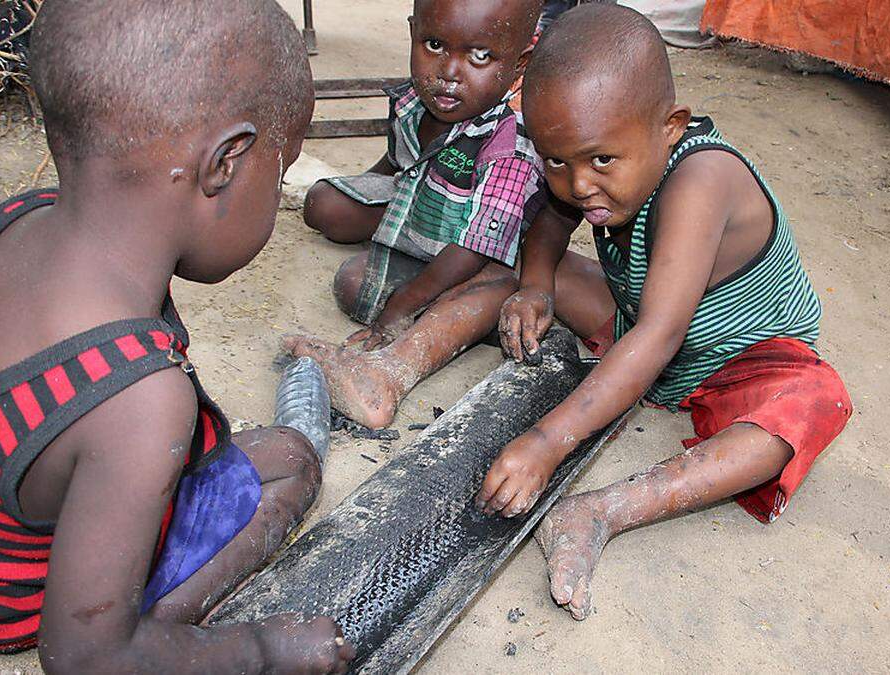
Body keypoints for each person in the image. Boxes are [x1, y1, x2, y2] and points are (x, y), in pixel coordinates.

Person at [0, 1, 354, 672]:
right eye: (278, 172)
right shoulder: (139, 401)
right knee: (292, 468)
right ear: (225, 163)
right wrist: (264, 649)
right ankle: (153, 629)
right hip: (8, 607)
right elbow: (80, 656)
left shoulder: (2, 225)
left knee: (277, 450)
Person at [477, 4, 853, 621]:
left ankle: (604, 510)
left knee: (815, 402)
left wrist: (548, 442)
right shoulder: (586, 165)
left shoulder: (700, 180)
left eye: (601, 161)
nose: (578, 184)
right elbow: (550, 214)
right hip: (641, 324)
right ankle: (396, 360)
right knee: (513, 276)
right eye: (554, 159)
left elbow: (661, 332)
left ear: (670, 126)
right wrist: (538, 286)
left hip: (737, 357)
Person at [285, 0, 546, 430]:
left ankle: (420, 334)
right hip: (421, 213)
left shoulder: (509, 146)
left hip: (472, 250)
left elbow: (472, 247)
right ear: (412, 32)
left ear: (520, 63)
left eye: (480, 56)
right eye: (435, 44)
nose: (449, 71)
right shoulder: (412, 101)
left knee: (357, 285)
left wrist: (401, 307)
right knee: (324, 204)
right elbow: (395, 166)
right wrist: (365, 199)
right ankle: (426, 290)